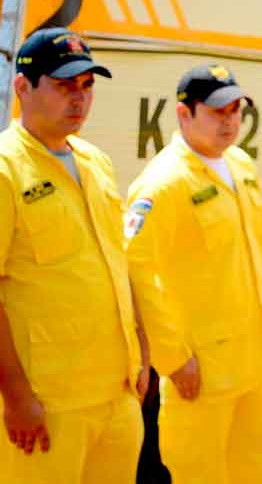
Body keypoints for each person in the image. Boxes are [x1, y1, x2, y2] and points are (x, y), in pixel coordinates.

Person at [125, 64, 262, 484]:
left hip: (252, 364)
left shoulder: (239, 165)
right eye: (218, 111)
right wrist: (172, 358)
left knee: (255, 473)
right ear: (184, 114)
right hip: (201, 375)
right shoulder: (163, 183)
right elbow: (136, 270)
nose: (231, 120)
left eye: (236, 109)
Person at [0, 27, 148, 483]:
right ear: (23, 88)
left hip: (115, 396)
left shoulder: (95, 161)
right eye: (65, 86)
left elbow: (118, 264)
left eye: (87, 86)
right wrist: (17, 396)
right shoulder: (6, 169)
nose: (79, 99)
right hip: (49, 405)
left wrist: (140, 352)